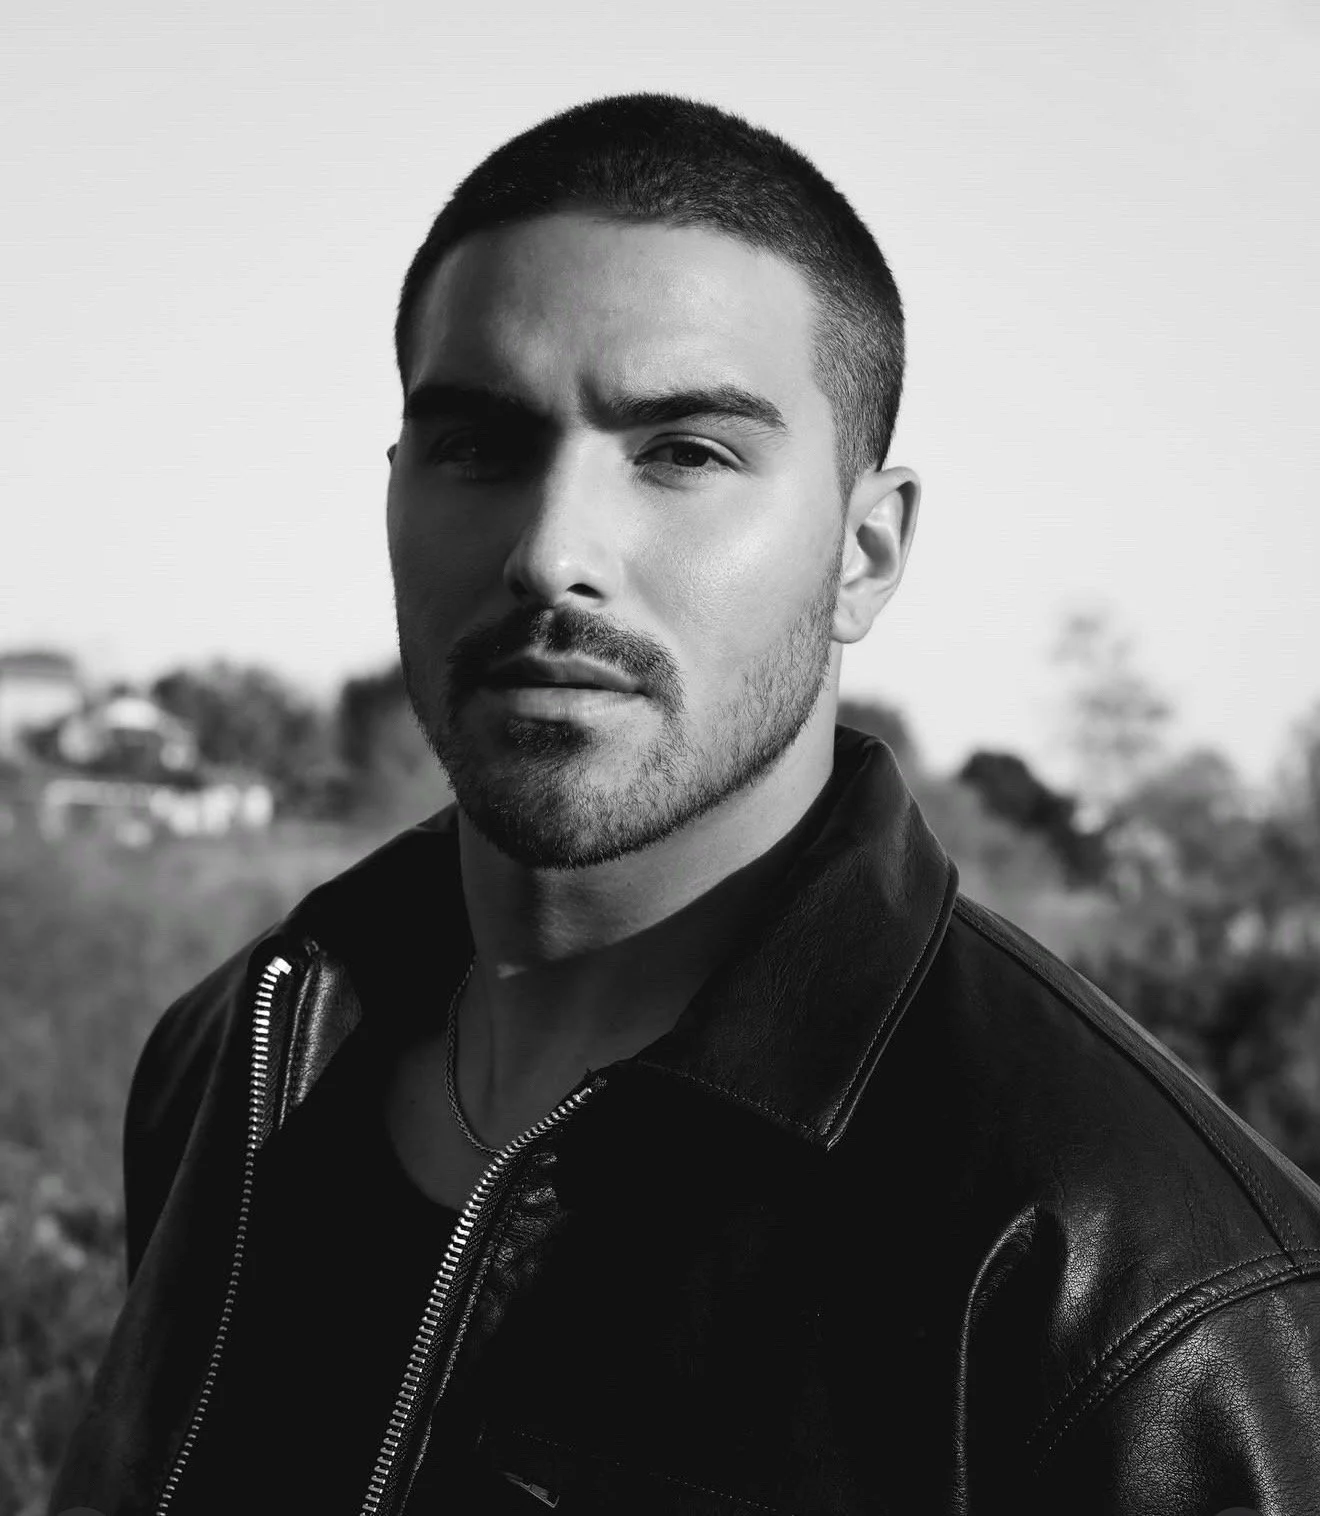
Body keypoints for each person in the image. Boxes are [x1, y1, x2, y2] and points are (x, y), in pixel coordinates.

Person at [51, 94, 1320, 1516]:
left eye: (685, 452)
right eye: (480, 444)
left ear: (867, 549)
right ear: (396, 489)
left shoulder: (1143, 1285)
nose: (552, 552)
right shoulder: (245, 1050)